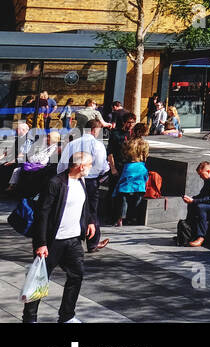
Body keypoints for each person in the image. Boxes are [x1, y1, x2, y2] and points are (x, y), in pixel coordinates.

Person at [24, 150, 98, 324]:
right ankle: (29, 319)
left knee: (76, 276)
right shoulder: (55, 183)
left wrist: (89, 221)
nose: (90, 168)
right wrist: (41, 243)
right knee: (40, 279)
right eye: (89, 164)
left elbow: (84, 204)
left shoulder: (82, 181)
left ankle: (67, 316)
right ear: (80, 166)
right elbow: (43, 214)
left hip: (73, 241)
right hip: (52, 242)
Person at [58, 118, 111, 252]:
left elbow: (62, 164)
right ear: (95, 130)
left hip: (73, 178)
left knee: (73, 208)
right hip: (90, 180)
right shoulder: (98, 145)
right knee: (92, 210)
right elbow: (102, 165)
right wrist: (97, 175)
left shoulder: (73, 144)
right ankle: (92, 242)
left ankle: (72, 237)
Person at [112, 138, 150, 225]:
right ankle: (132, 218)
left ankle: (120, 219)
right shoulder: (142, 166)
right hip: (139, 187)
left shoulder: (127, 166)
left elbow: (122, 178)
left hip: (125, 188)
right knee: (135, 203)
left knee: (123, 203)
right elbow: (145, 177)